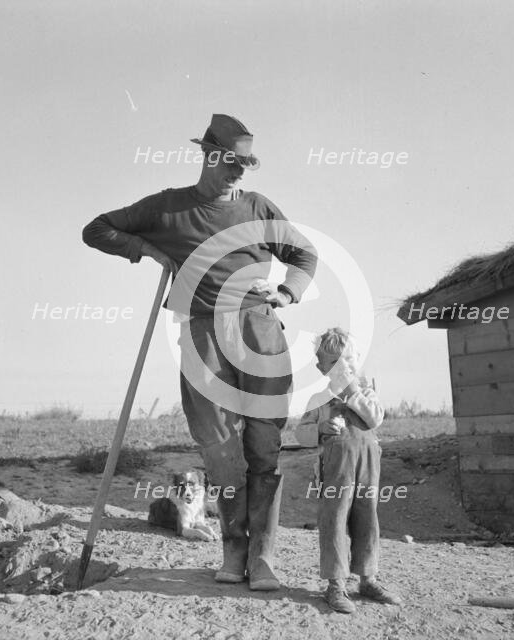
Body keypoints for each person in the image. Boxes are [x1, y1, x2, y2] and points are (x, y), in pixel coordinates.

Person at [82, 114, 317, 591]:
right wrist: (149, 249)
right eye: (231, 162)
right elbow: (97, 229)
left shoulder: (257, 207)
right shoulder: (167, 208)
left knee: (264, 447)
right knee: (222, 452)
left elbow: (304, 255)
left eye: (244, 165)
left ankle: (264, 557)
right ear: (208, 156)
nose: (238, 173)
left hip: (259, 330)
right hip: (201, 333)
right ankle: (234, 551)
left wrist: (288, 293)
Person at [295, 327, 402, 613]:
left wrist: (352, 388)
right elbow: (300, 434)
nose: (346, 368)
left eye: (351, 360)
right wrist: (318, 429)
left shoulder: (366, 393)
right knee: (334, 522)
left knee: (367, 521)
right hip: (336, 470)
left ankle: (368, 579)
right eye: (337, 363)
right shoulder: (319, 400)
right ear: (322, 368)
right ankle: (336, 585)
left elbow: (374, 418)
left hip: (367, 466)